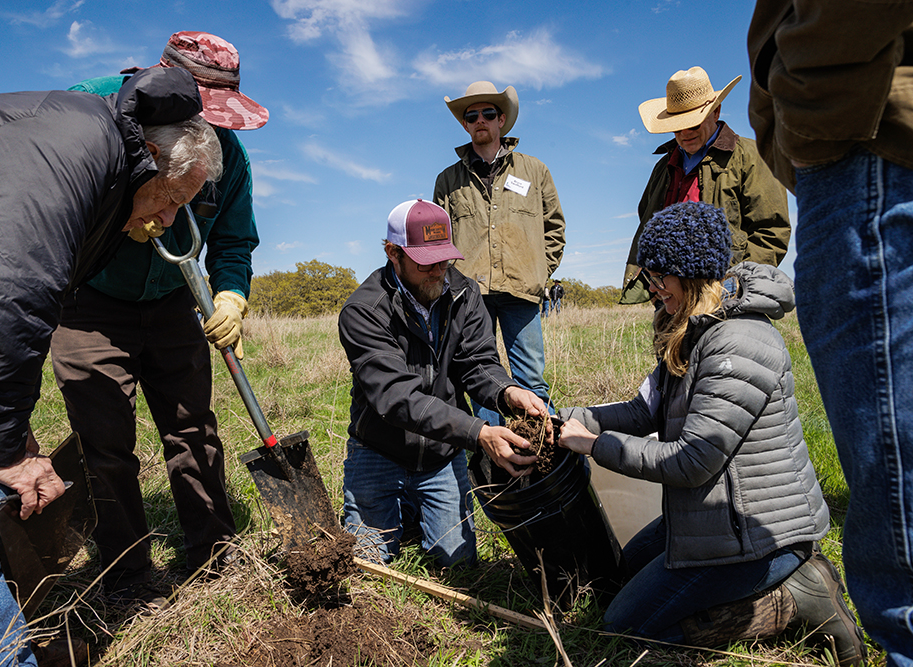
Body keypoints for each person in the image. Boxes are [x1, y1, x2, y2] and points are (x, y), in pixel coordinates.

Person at [0, 68, 219, 666]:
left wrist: (13, 425)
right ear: (152, 155)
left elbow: (4, 320)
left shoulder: (103, 170)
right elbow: (11, 290)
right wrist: (2, 449)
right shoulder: (74, 145)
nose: (165, 221)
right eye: (171, 198)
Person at [557, 202, 865, 665]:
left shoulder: (739, 342)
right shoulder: (694, 330)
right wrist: (561, 416)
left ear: (692, 272)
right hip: (715, 519)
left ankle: (794, 596)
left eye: (660, 277)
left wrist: (593, 445)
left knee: (625, 627)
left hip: (761, 537)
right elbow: (644, 411)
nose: (654, 288)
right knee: (625, 570)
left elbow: (692, 461)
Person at [50, 31, 266, 611]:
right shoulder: (88, 108)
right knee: (105, 438)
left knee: (193, 427)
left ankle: (214, 557)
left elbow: (233, 239)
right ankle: (126, 569)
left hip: (172, 299)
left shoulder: (227, 154)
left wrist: (229, 297)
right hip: (89, 301)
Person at [748, 4, 913, 663]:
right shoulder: (665, 171)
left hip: (860, 140)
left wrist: (811, 105)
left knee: (894, 470)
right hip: (844, 140)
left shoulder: (733, 158)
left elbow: (763, 230)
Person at [338, 199, 546, 567]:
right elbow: (398, 397)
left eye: (444, 258)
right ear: (392, 253)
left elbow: (478, 363)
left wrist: (508, 391)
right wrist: (480, 433)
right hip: (379, 451)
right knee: (367, 566)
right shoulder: (363, 311)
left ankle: (416, 513)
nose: (438, 271)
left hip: (440, 453)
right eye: (425, 261)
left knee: (459, 566)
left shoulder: (464, 294)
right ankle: (400, 510)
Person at [433, 81, 565, 424]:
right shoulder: (447, 180)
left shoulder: (534, 171)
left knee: (531, 380)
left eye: (488, 113)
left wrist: (537, 271)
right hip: (468, 295)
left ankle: (543, 459)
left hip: (522, 291)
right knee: (481, 380)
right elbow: (438, 240)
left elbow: (555, 229)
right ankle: (494, 461)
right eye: (471, 115)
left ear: (501, 120)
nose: (480, 120)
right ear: (464, 124)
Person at [619, 66, 790, 304]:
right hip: (669, 298)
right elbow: (647, 221)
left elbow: (771, 232)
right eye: (677, 127)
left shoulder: (751, 156)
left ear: (716, 112)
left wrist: (733, 284)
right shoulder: (663, 166)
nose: (684, 133)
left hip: (726, 296)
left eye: (693, 124)